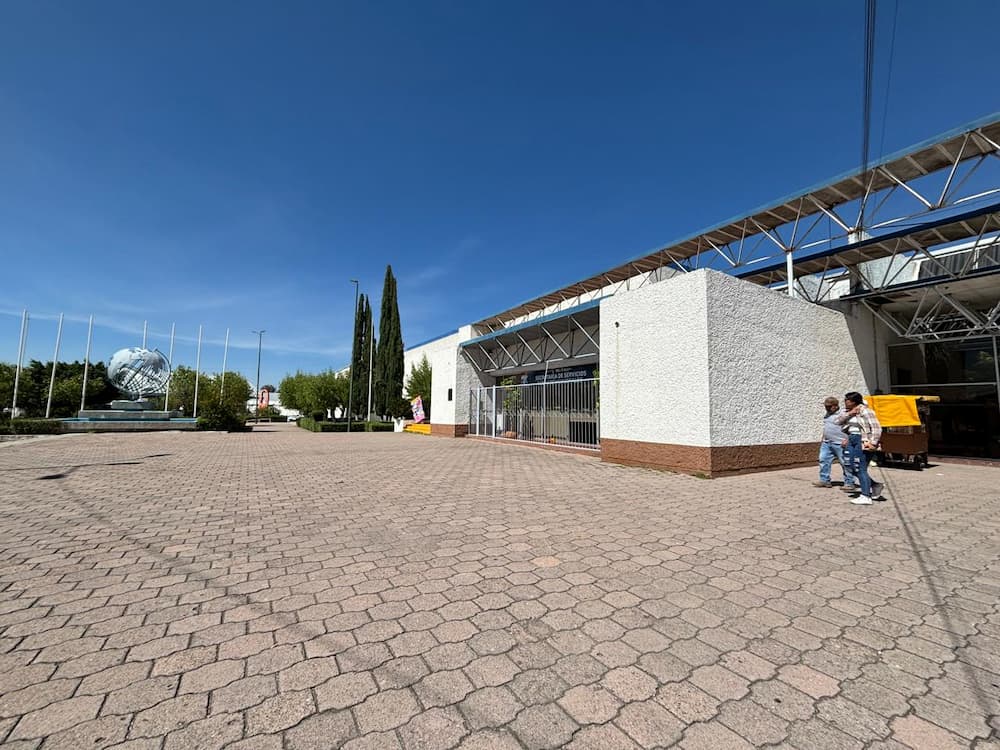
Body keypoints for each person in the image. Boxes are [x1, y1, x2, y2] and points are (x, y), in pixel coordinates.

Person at [837, 392, 883, 505]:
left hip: (862, 440)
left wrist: (873, 442)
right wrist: (850, 413)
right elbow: (837, 421)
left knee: (860, 468)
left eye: (847, 400)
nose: (845, 402)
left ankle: (866, 496)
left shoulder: (866, 411)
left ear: (854, 401)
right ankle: (875, 485)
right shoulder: (847, 411)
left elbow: (877, 428)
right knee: (849, 466)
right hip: (851, 439)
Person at [813, 397, 856, 490]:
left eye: (829, 406)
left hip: (841, 443)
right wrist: (823, 438)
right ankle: (824, 480)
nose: (826, 408)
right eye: (826, 406)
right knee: (823, 460)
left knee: (845, 463)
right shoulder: (827, 414)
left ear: (835, 406)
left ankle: (849, 483)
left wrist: (848, 439)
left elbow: (852, 427)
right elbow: (827, 427)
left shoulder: (844, 413)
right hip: (827, 442)